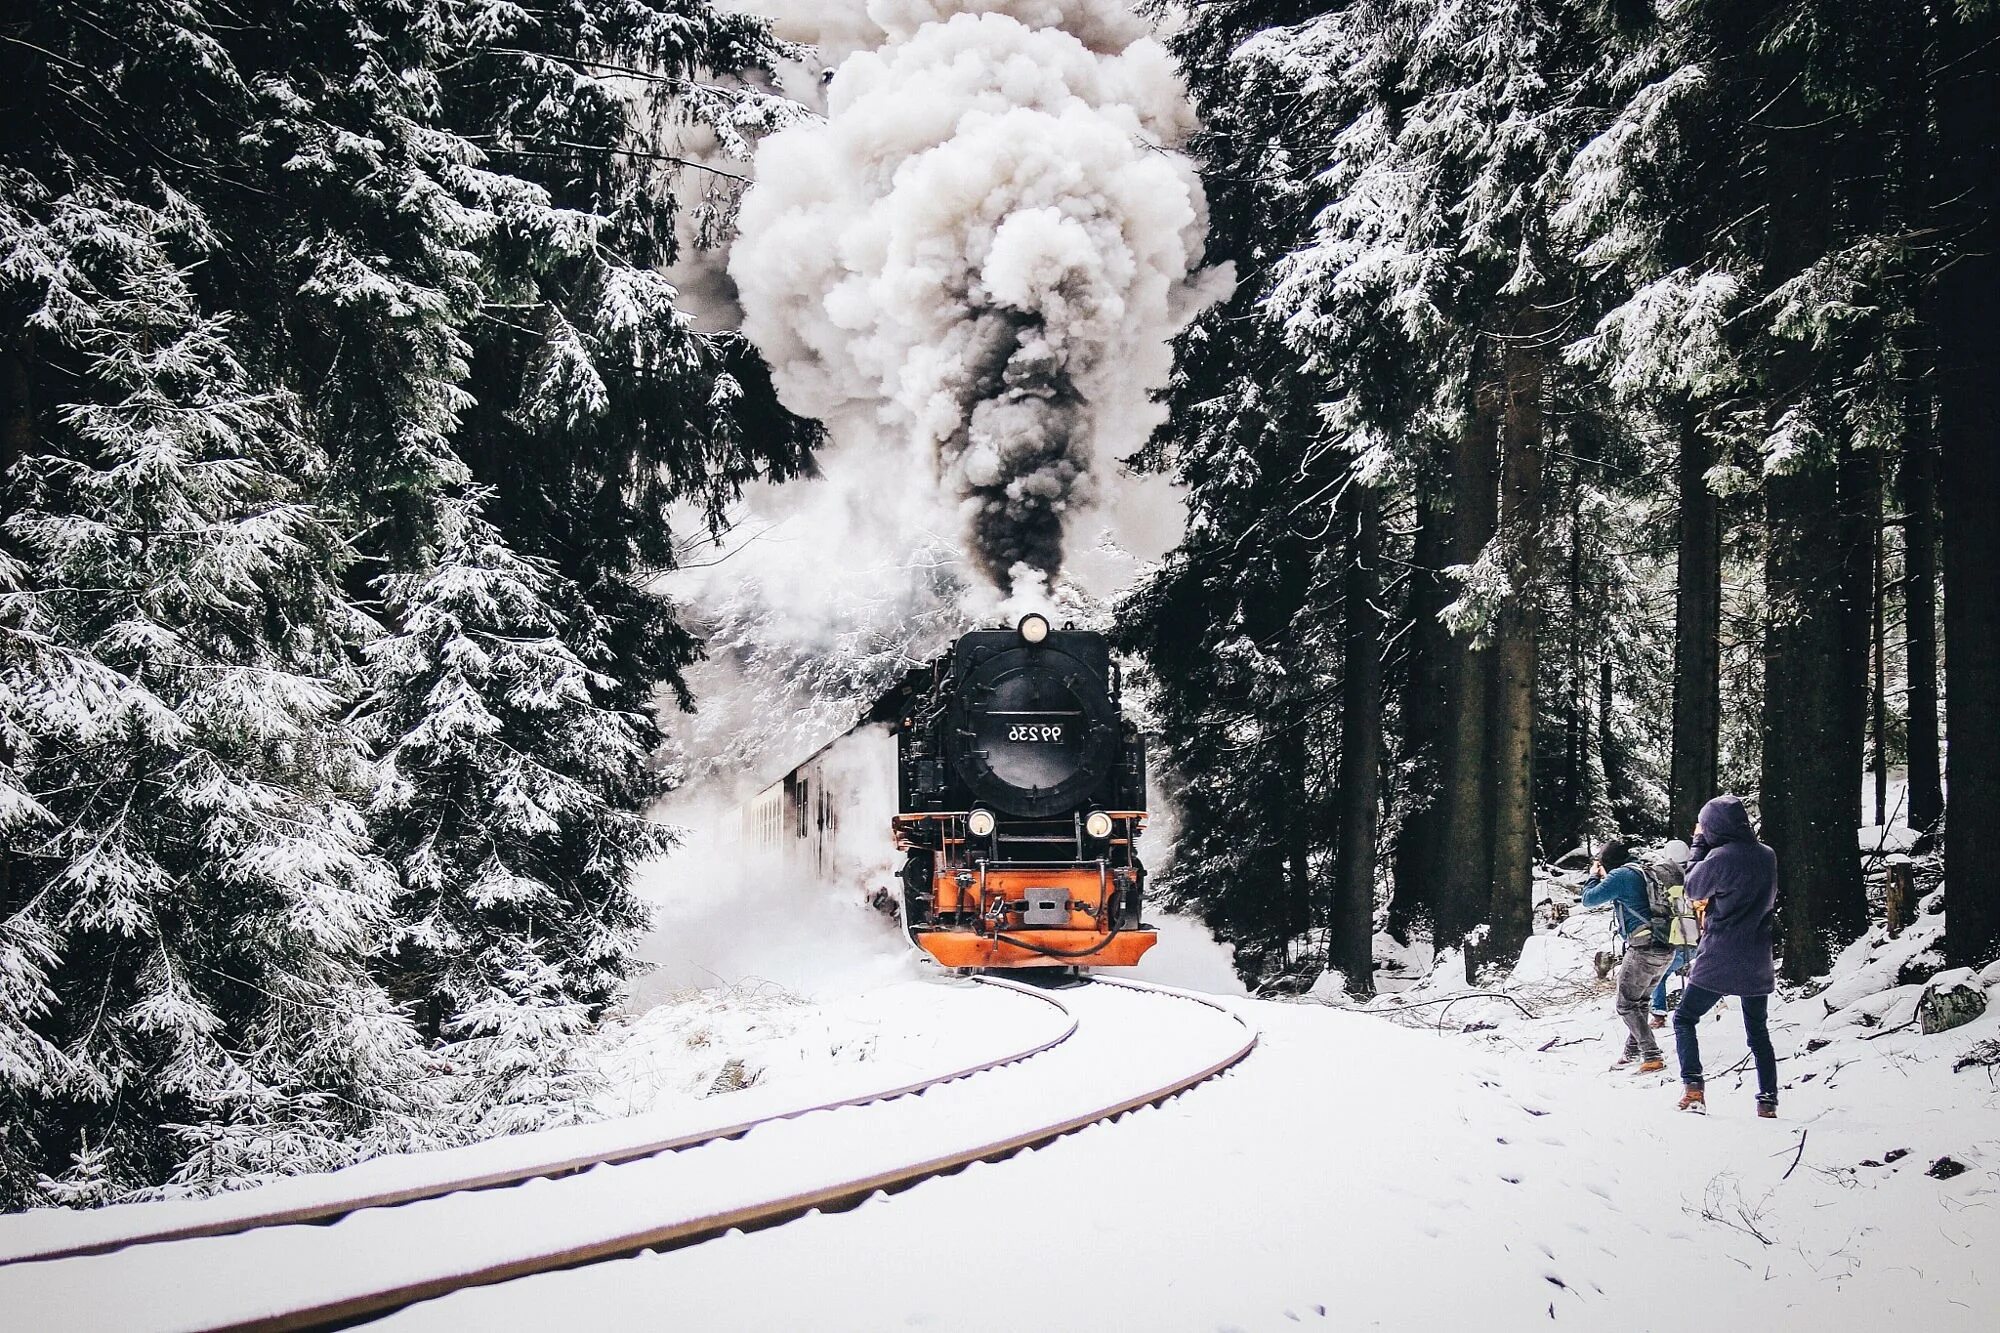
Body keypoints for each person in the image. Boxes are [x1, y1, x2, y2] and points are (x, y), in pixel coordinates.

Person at [1673, 795, 1780, 1117]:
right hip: (1758, 954)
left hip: (1721, 953)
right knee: (1758, 1033)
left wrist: (1697, 846)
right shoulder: (1767, 855)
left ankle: (1693, 1089)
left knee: (1684, 1018)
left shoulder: (1719, 858)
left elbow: (1691, 889)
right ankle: (1768, 1101)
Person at [1581, 839, 1678, 1074]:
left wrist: (1594, 876)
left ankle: (1652, 1055)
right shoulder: (1644, 871)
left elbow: (1588, 899)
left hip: (1644, 949)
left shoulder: (1620, 876)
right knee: (1640, 1002)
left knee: (1625, 1004)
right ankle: (1632, 1052)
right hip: (1666, 947)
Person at [1649, 839, 1697, 1026]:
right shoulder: (1695, 876)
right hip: (1697, 938)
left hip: (1676, 940)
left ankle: (1659, 1014)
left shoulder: (1664, 882)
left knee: (1657, 975)